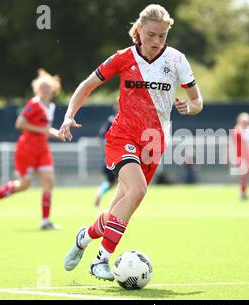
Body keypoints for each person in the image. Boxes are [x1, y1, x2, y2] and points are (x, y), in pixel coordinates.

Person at [59, 4, 203, 281]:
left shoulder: (176, 60)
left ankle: (83, 238)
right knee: (137, 191)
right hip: (122, 137)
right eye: (151, 35)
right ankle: (101, 260)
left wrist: (191, 107)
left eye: (162, 36)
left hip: (154, 144)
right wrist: (68, 117)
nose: (157, 41)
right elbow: (87, 85)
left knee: (117, 211)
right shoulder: (123, 58)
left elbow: (197, 100)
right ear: (138, 31)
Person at [0, 69, 63, 230]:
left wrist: (58, 133)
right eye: (42, 86)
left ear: (53, 88)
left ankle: (45, 221)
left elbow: (46, 129)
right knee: (24, 185)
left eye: (48, 86)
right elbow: (20, 123)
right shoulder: (33, 104)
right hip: (27, 149)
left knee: (49, 181)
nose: (45, 89)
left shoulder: (51, 106)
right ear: (37, 88)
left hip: (43, 149)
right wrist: (44, 131)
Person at [94, 102, 119, 207]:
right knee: (124, 182)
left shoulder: (111, 119)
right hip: (118, 156)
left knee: (111, 182)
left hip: (110, 157)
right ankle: (116, 205)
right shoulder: (113, 120)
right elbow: (102, 137)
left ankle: (101, 191)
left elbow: (101, 137)